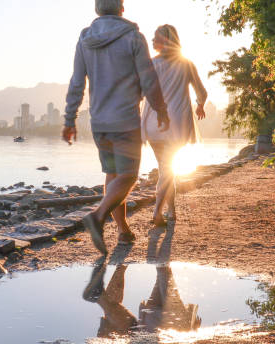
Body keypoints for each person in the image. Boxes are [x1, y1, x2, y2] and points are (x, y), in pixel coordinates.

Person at [63, 0, 169, 254]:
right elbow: (148, 79)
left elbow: (77, 81)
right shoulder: (134, 37)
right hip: (125, 119)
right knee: (129, 175)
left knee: (113, 174)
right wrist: (161, 108)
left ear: (97, 10)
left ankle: (123, 232)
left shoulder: (85, 39)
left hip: (98, 122)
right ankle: (97, 217)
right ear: (122, 9)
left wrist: (70, 118)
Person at [141, 24, 208, 226]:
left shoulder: (150, 64)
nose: (152, 41)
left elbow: (140, 93)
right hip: (177, 124)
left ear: (166, 41)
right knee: (166, 169)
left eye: (156, 37)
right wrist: (200, 105)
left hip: (153, 123)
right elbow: (202, 92)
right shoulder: (186, 64)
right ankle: (159, 212)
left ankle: (168, 211)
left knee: (165, 168)